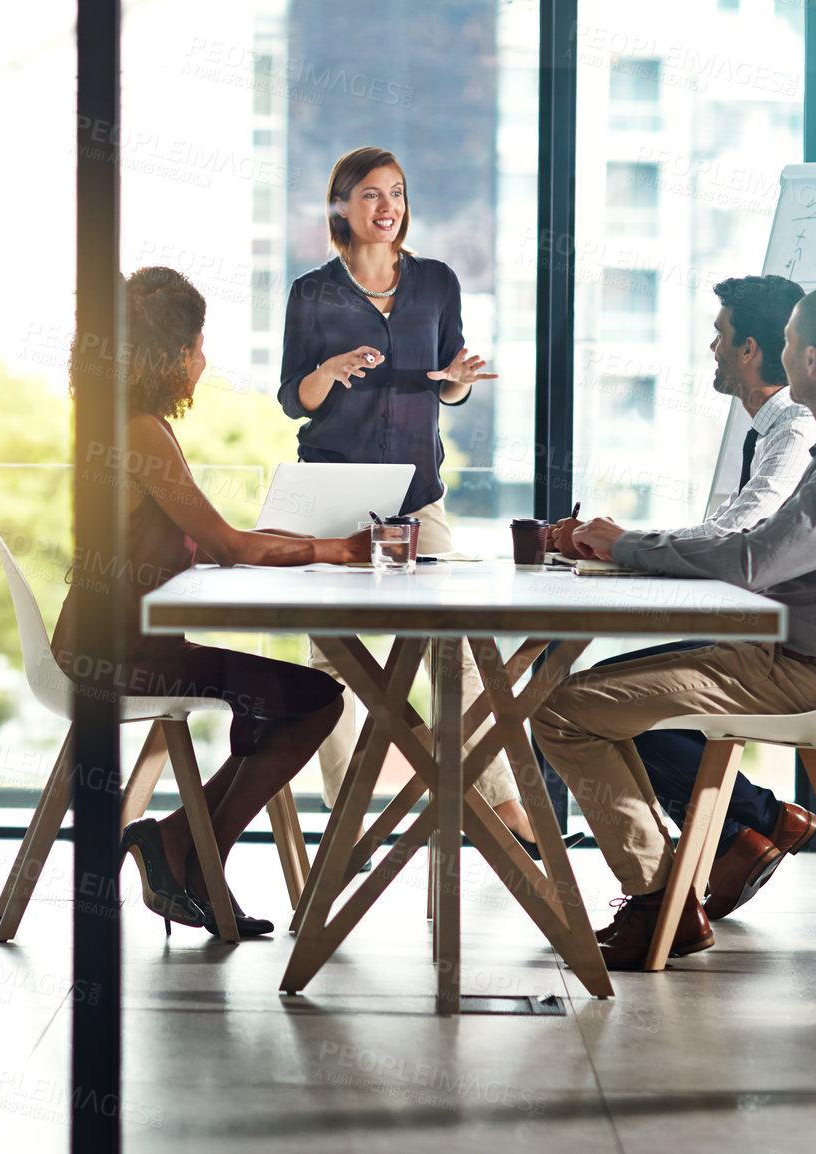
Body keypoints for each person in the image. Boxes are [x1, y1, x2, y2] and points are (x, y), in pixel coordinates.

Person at [532, 285, 816, 970]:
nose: (772, 354)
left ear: (808, 360)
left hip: (794, 672)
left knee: (561, 709)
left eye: (784, 344)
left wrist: (627, 545)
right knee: (586, 691)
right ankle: (673, 887)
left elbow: (753, 558)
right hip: (791, 658)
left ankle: (662, 900)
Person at [52, 266, 371, 939]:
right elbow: (226, 544)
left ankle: (183, 848)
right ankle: (182, 847)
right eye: (197, 344)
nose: (203, 359)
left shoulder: (127, 423)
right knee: (314, 699)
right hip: (116, 654)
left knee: (289, 699)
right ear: (167, 356)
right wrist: (332, 551)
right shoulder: (139, 432)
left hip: (128, 641)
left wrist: (312, 543)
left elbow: (220, 538)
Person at [276, 146, 540, 849]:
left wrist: (454, 379)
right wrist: (326, 373)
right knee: (332, 659)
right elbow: (290, 401)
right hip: (331, 489)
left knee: (452, 648)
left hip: (417, 494)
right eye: (369, 194)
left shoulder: (435, 282)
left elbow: (447, 383)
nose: (385, 205)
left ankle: (500, 809)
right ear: (340, 206)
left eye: (395, 192)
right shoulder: (311, 293)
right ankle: (344, 823)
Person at [543, 275, 816, 919]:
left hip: (782, 650)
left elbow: (738, 532)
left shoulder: (795, 428)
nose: (712, 349)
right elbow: (736, 533)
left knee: (579, 704)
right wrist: (620, 544)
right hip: (773, 634)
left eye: (721, 337)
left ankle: (677, 884)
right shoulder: (777, 429)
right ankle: (747, 824)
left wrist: (623, 543)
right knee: (606, 690)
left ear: (751, 349)